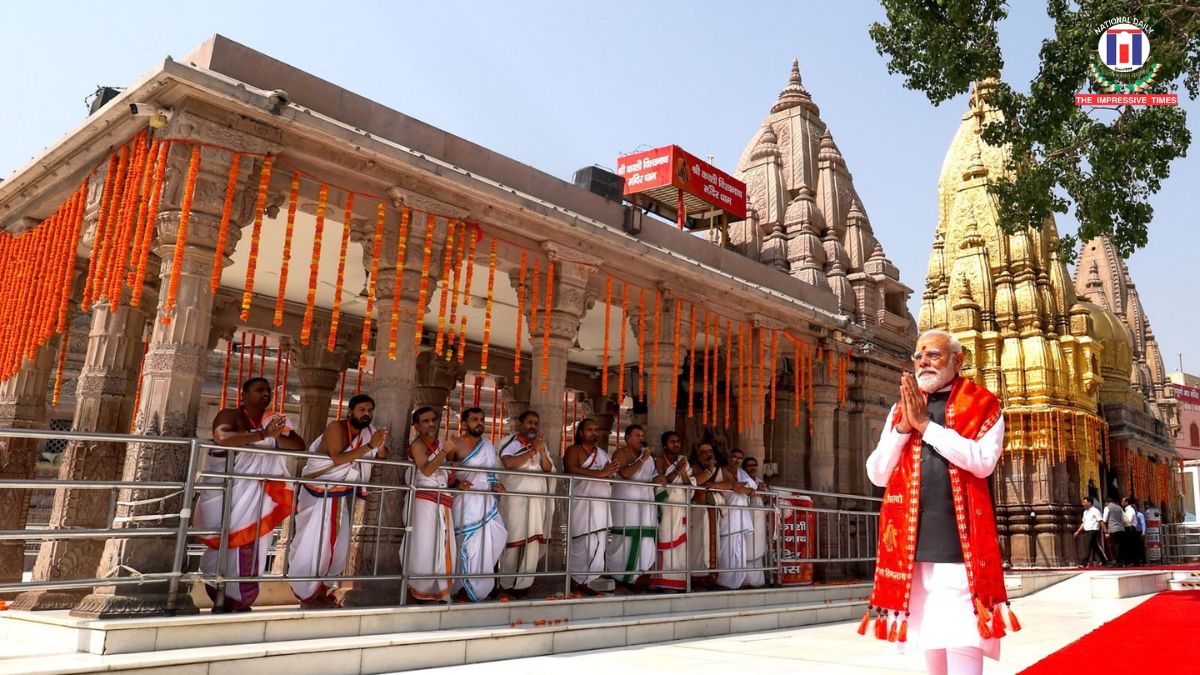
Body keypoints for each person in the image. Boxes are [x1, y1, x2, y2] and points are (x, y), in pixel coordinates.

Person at [864, 329, 1013, 675]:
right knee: (927, 632)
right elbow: (877, 474)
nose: (923, 363)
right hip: (910, 545)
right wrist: (903, 430)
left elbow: (982, 461)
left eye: (933, 355)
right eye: (918, 357)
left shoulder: (983, 404)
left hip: (960, 544)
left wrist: (926, 427)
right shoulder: (902, 408)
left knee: (962, 633)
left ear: (957, 361)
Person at [196, 377, 305, 613]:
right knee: (224, 541)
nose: (265, 394)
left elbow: (299, 446)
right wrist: (262, 435)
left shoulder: (273, 419)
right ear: (244, 394)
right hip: (229, 491)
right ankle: (220, 597)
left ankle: (241, 599)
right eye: (259, 390)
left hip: (256, 495)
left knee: (254, 546)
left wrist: (275, 435)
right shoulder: (230, 414)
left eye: (268, 390)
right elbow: (222, 437)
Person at [287, 394, 388, 607]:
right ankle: (307, 594)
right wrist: (370, 446)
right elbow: (338, 458)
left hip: (339, 494)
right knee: (314, 542)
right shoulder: (337, 427)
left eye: (370, 410)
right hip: (318, 491)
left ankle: (322, 590)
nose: (366, 414)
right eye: (362, 410)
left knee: (336, 544)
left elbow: (381, 455)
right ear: (350, 411)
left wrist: (380, 444)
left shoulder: (368, 433)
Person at [449, 407, 508, 602]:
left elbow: (490, 474)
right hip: (466, 501)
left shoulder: (488, 445)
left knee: (497, 537)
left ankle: (481, 588)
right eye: (475, 419)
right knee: (468, 546)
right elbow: (444, 471)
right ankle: (463, 590)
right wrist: (457, 484)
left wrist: (497, 485)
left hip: (487, 502)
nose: (479, 422)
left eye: (482, 419)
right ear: (465, 423)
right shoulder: (455, 443)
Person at [497, 410, 555, 598]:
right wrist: (532, 451)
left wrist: (541, 451)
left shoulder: (539, 444)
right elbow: (509, 463)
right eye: (530, 422)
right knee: (514, 538)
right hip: (515, 499)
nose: (533, 426)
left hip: (536, 500)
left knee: (532, 541)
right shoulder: (510, 443)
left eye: (536, 423)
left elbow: (548, 469)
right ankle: (506, 583)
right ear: (521, 423)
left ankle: (524, 584)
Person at [405, 406, 455, 603]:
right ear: (416, 426)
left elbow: (442, 470)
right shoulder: (418, 445)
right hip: (425, 501)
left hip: (441, 499)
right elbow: (426, 470)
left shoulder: (440, 444)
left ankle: (438, 591)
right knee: (424, 545)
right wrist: (444, 451)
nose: (431, 424)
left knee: (441, 544)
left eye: (433, 419)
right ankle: (421, 590)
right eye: (425, 421)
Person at [564, 418, 619, 595]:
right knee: (582, 543)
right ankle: (573, 584)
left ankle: (586, 583)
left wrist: (609, 474)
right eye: (590, 430)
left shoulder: (602, 453)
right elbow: (571, 469)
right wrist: (601, 473)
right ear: (581, 432)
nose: (593, 433)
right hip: (582, 504)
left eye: (596, 430)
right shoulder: (574, 450)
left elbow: (609, 477)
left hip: (601, 505)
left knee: (598, 543)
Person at [606, 424, 659, 593]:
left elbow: (653, 475)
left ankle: (638, 580)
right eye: (637, 435)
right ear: (627, 437)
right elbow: (625, 474)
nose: (641, 438)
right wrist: (643, 459)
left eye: (642, 435)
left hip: (645, 504)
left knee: (645, 540)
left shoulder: (648, 457)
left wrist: (661, 478)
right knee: (625, 539)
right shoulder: (621, 453)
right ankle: (620, 579)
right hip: (625, 505)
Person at [650, 431, 693, 592]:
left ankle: (680, 582)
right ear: (665, 445)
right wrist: (677, 470)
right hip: (666, 506)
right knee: (666, 541)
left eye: (678, 441)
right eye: (672, 441)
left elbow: (689, 485)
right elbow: (661, 481)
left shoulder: (684, 462)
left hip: (681, 506)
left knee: (681, 545)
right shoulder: (660, 461)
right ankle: (662, 582)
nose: (676, 444)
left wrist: (682, 471)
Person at [715, 449, 757, 589]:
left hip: (740, 516)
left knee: (739, 549)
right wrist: (733, 486)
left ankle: (737, 581)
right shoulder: (720, 471)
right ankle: (724, 581)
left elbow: (752, 488)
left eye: (740, 458)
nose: (737, 460)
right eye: (734, 457)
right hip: (726, 514)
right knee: (725, 548)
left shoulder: (742, 473)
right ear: (728, 457)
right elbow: (715, 488)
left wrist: (742, 489)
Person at [687, 443, 722, 590]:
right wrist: (709, 470)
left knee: (712, 545)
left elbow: (724, 484)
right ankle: (697, 579)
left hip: (712, 512)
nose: (708, 454)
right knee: (698, 545)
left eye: (710, 451)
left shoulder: (716, 470)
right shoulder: (693, 467)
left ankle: (711, 578)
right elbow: (697, 483)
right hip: (697, 511)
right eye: (705, 451)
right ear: (698, 453)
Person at [743, 456, 769, 587]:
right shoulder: (743, 480)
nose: (753, 468)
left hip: (759, 520)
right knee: (748, 548)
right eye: (750, 465)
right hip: (748, 518)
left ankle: (758, 581)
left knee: (758, 547)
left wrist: (763, 493)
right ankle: (746, 580)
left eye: (755, 465)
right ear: (745, 468)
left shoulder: (759, 481)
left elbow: (765, 500)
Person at [1073, 496, 1107, 567]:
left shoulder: (1095, 511)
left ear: (1089, 503)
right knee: (1095, 547)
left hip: (1093, 531)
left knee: (1087, 547)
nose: (1083, 504)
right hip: (1087, 531)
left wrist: (1106, 532)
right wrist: (1078, 531)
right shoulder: (1085, 512)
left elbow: (1101, 521)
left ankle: (1084, 563)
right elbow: (1083, 523)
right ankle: (1104, 561)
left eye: (1085, 502)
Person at [1102, 495, 1126, 566]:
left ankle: (1118, 562)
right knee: (1121, 546)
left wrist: (1105, 531)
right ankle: (1122, 561)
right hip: (1121, 528)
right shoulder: (1119, 507)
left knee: (1115, 546)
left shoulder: (1107, 508)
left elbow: (1104, 519)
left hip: (1113, 529)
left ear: (1106, 502)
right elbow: (1123, 518)